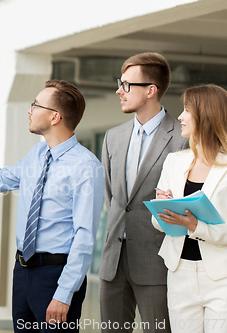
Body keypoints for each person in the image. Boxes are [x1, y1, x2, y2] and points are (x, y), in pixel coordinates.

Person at [0, 79, 104, 332]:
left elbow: (84, 237)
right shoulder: (36, 156)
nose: (29, 110)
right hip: (23, 272)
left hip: (56, 276)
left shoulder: (86, 166)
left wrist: (64, 294)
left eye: (35, 105)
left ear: (55, 116)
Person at [99, 52, 188, 332]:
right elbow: (113, 198)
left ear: (151, 90)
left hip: (156, 263)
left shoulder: (182, 138)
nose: (119, 91)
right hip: (113, 262)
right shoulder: (113, 137)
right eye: (119, 83)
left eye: (126, 85)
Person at [152, 84, 227, 333]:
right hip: (179, 270)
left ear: (206, 116)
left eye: (186, 110)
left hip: (220, 276)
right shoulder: (175, 161)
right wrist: (163, 208)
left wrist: (195, 226)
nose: (180, 117)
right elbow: (157, 223)